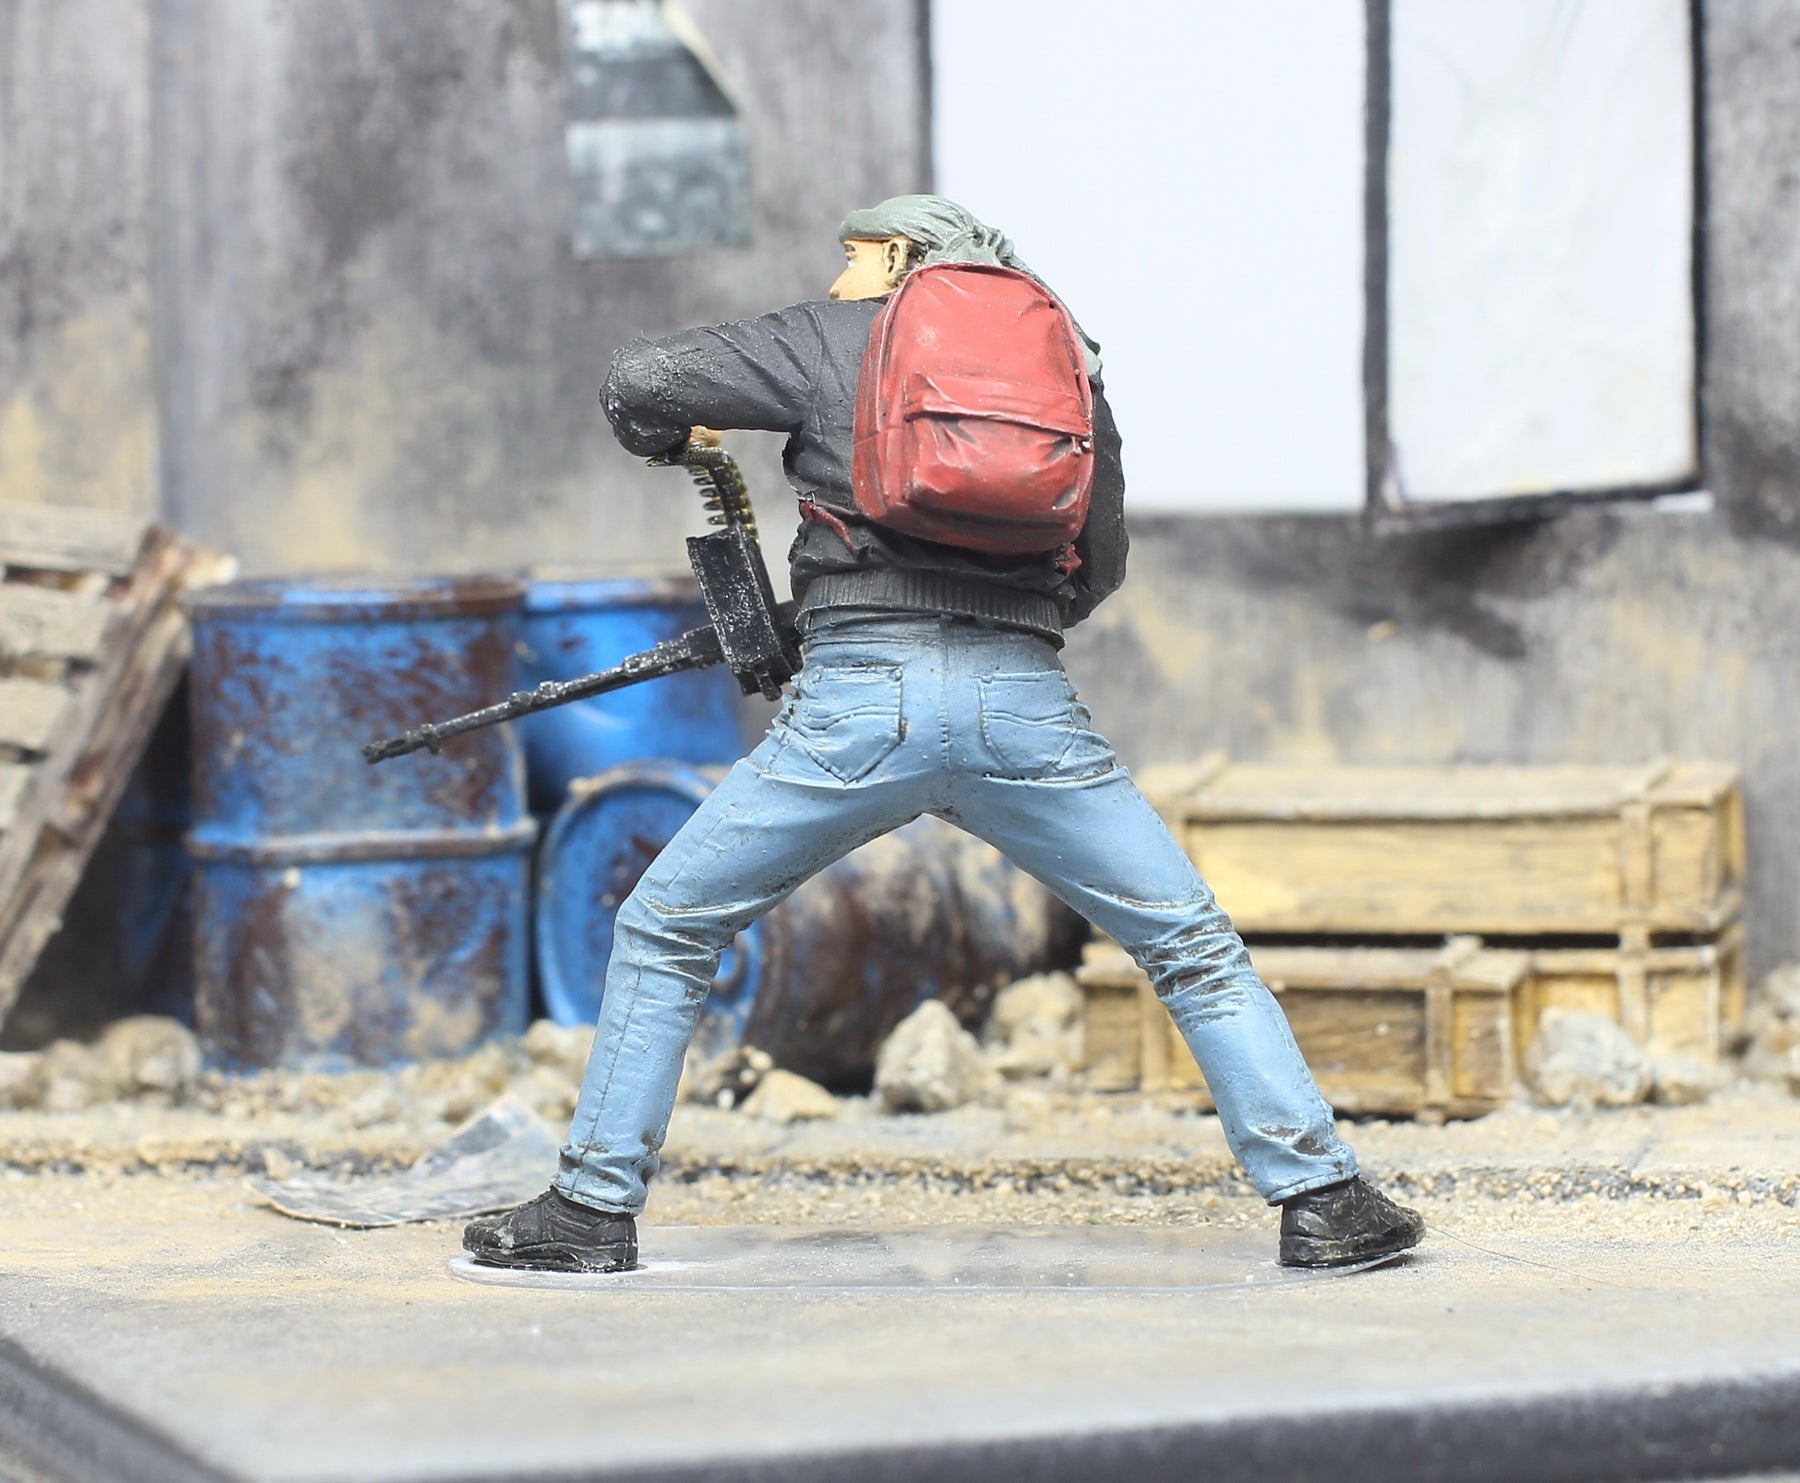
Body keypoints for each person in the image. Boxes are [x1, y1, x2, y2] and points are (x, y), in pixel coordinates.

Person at [464, 195, 1424, 1273]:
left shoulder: (834, 335)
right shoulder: (1064, 361)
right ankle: (1325, 1200)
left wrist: (675, 443)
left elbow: (642, 378)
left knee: (666, 925)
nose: (839, 280)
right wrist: (997, 615)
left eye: (851, 259)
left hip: (858, 706)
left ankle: (591, 1211)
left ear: (895, 257)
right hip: (1026, 709)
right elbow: (1099, 564)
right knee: (1188, 943)